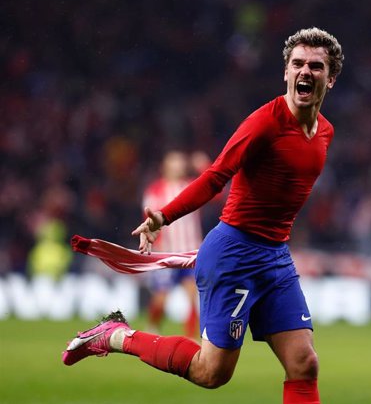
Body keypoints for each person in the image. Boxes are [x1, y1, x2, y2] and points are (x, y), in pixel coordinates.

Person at [62, 27, 344, 404]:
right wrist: (163, 216)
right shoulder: (264, 123)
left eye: (315, 66)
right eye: (297, 64)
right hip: (235, 255)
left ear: (331, 77)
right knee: (212, 373)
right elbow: (215, 177)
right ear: (286, 73)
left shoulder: (324, 131)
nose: (305, 72)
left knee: (304, 364)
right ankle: (115, 336)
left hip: (275, 257)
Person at [142, 150, 204, 338]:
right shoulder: (155, 191)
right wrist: (156, 245)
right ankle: (152, 327)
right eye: (174, 162)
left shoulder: (190, 186)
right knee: (161, 299)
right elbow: (149, 221)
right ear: (165, 166)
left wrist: (203, 166)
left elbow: (216, 191)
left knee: (192, 297)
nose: (178, 165)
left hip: (190, 253)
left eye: (180, 162)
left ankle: (192, 340)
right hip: (166, 254)